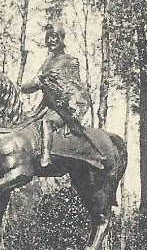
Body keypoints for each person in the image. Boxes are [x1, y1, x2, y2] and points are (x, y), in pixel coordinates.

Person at [21, 22, 93, 168]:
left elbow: (75, 88)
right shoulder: (47, 62)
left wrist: (72, 116)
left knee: (47, 121)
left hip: (63, 110)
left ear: (61, 38)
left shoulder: (70, 61)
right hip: (44, 107)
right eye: (48, 37)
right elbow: (35, 82)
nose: (51, 41)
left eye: (54, 37)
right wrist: (24, 86)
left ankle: (46, 156)